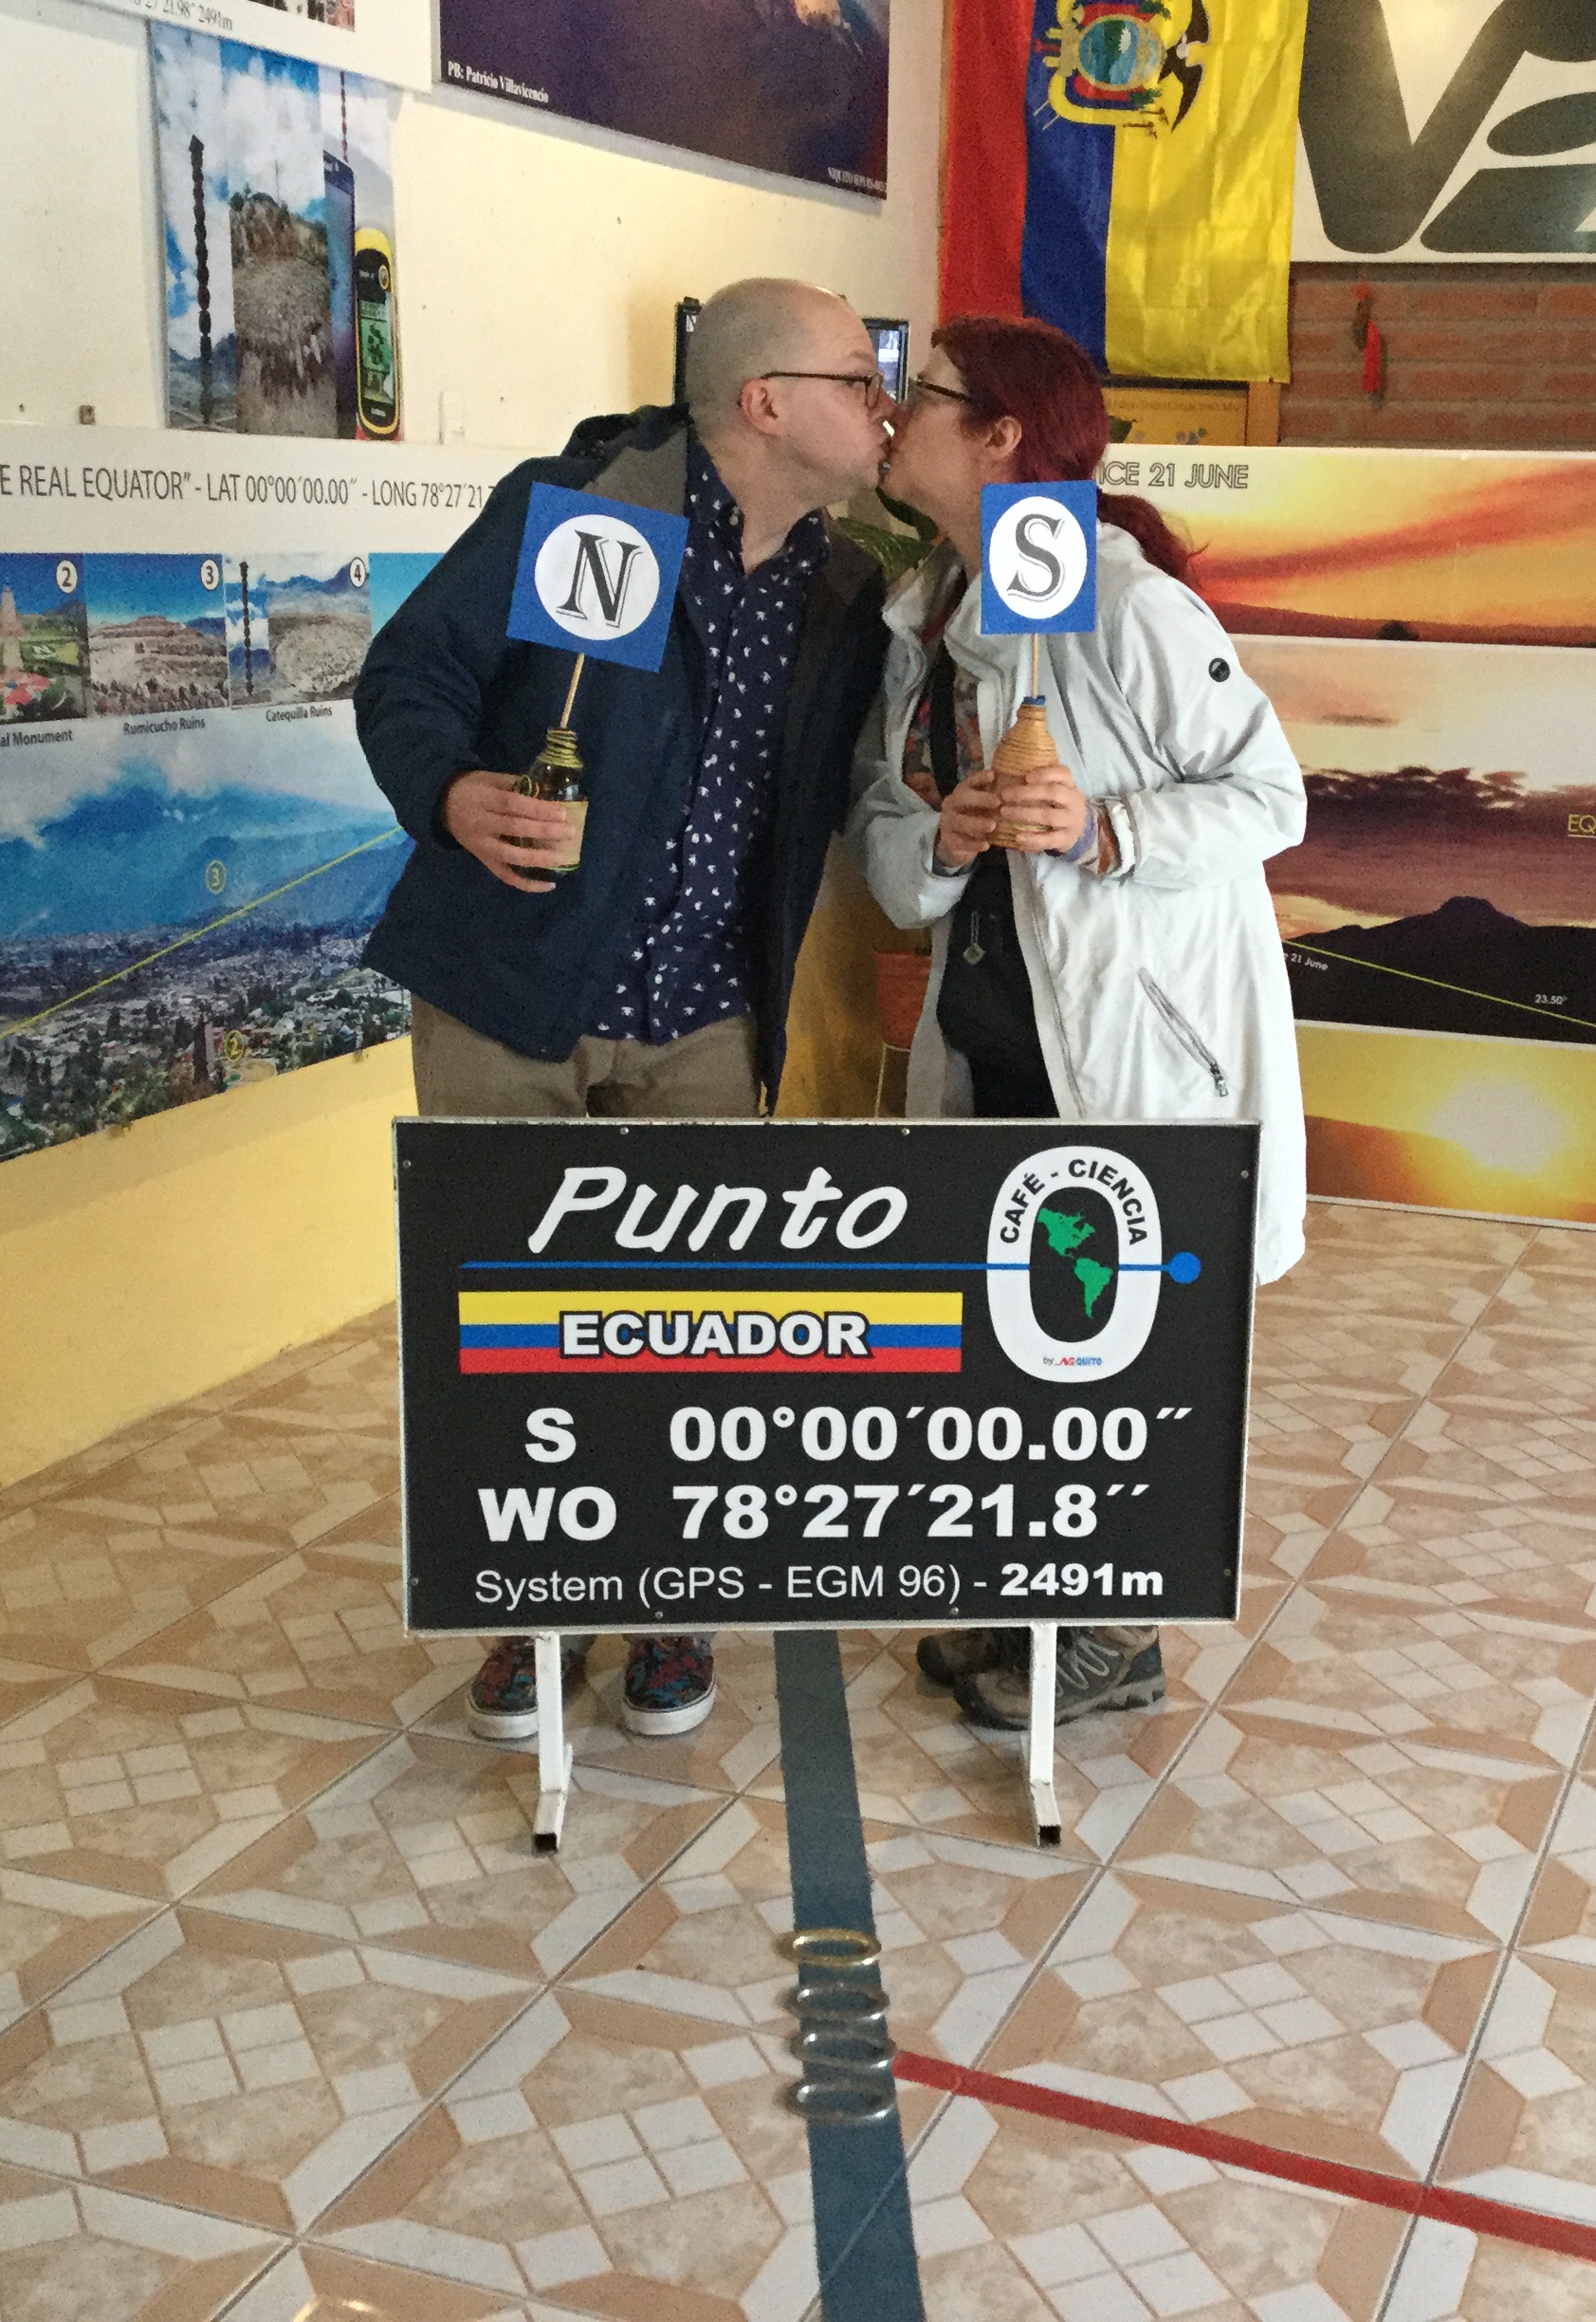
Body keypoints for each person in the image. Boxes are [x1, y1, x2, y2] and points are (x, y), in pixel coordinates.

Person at [356, 279, 896, 1742]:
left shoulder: (846, 589)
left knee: (690, 1333)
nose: (883, 404)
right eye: (859, 378)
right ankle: (530, 1613)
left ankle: (670, 1599)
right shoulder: (589, 510)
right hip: (510, 991)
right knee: (510, 1327)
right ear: (765, 402)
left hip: (707, 1015)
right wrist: (450, 791)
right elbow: (411, 674)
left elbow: (856, 789)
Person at [845, 315, 1307, 1730]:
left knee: (1119, 1341)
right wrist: (946, 838)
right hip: (992, 1039)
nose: (889, 415)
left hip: (1124, 1051)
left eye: (918, 396)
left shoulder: (1127, 606)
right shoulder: (922, 618)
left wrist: (1107, 828)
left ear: (999, 436)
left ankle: (1115, 1629)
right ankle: (1019, 1590)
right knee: (1010, 1337)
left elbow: (1271, 798)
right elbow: (885, 839)